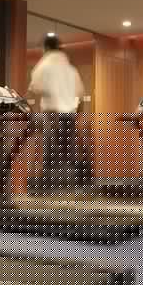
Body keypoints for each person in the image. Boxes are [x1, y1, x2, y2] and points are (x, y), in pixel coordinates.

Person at [27, 34, 85, 192]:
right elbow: (80, 93)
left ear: (45, 48)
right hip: (69, 114)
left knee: (48, 150)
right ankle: (71, 186)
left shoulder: (44, 65)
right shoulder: (71, 68)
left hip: (52, 113)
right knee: (68, 150)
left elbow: (35, 87)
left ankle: (43, 187)